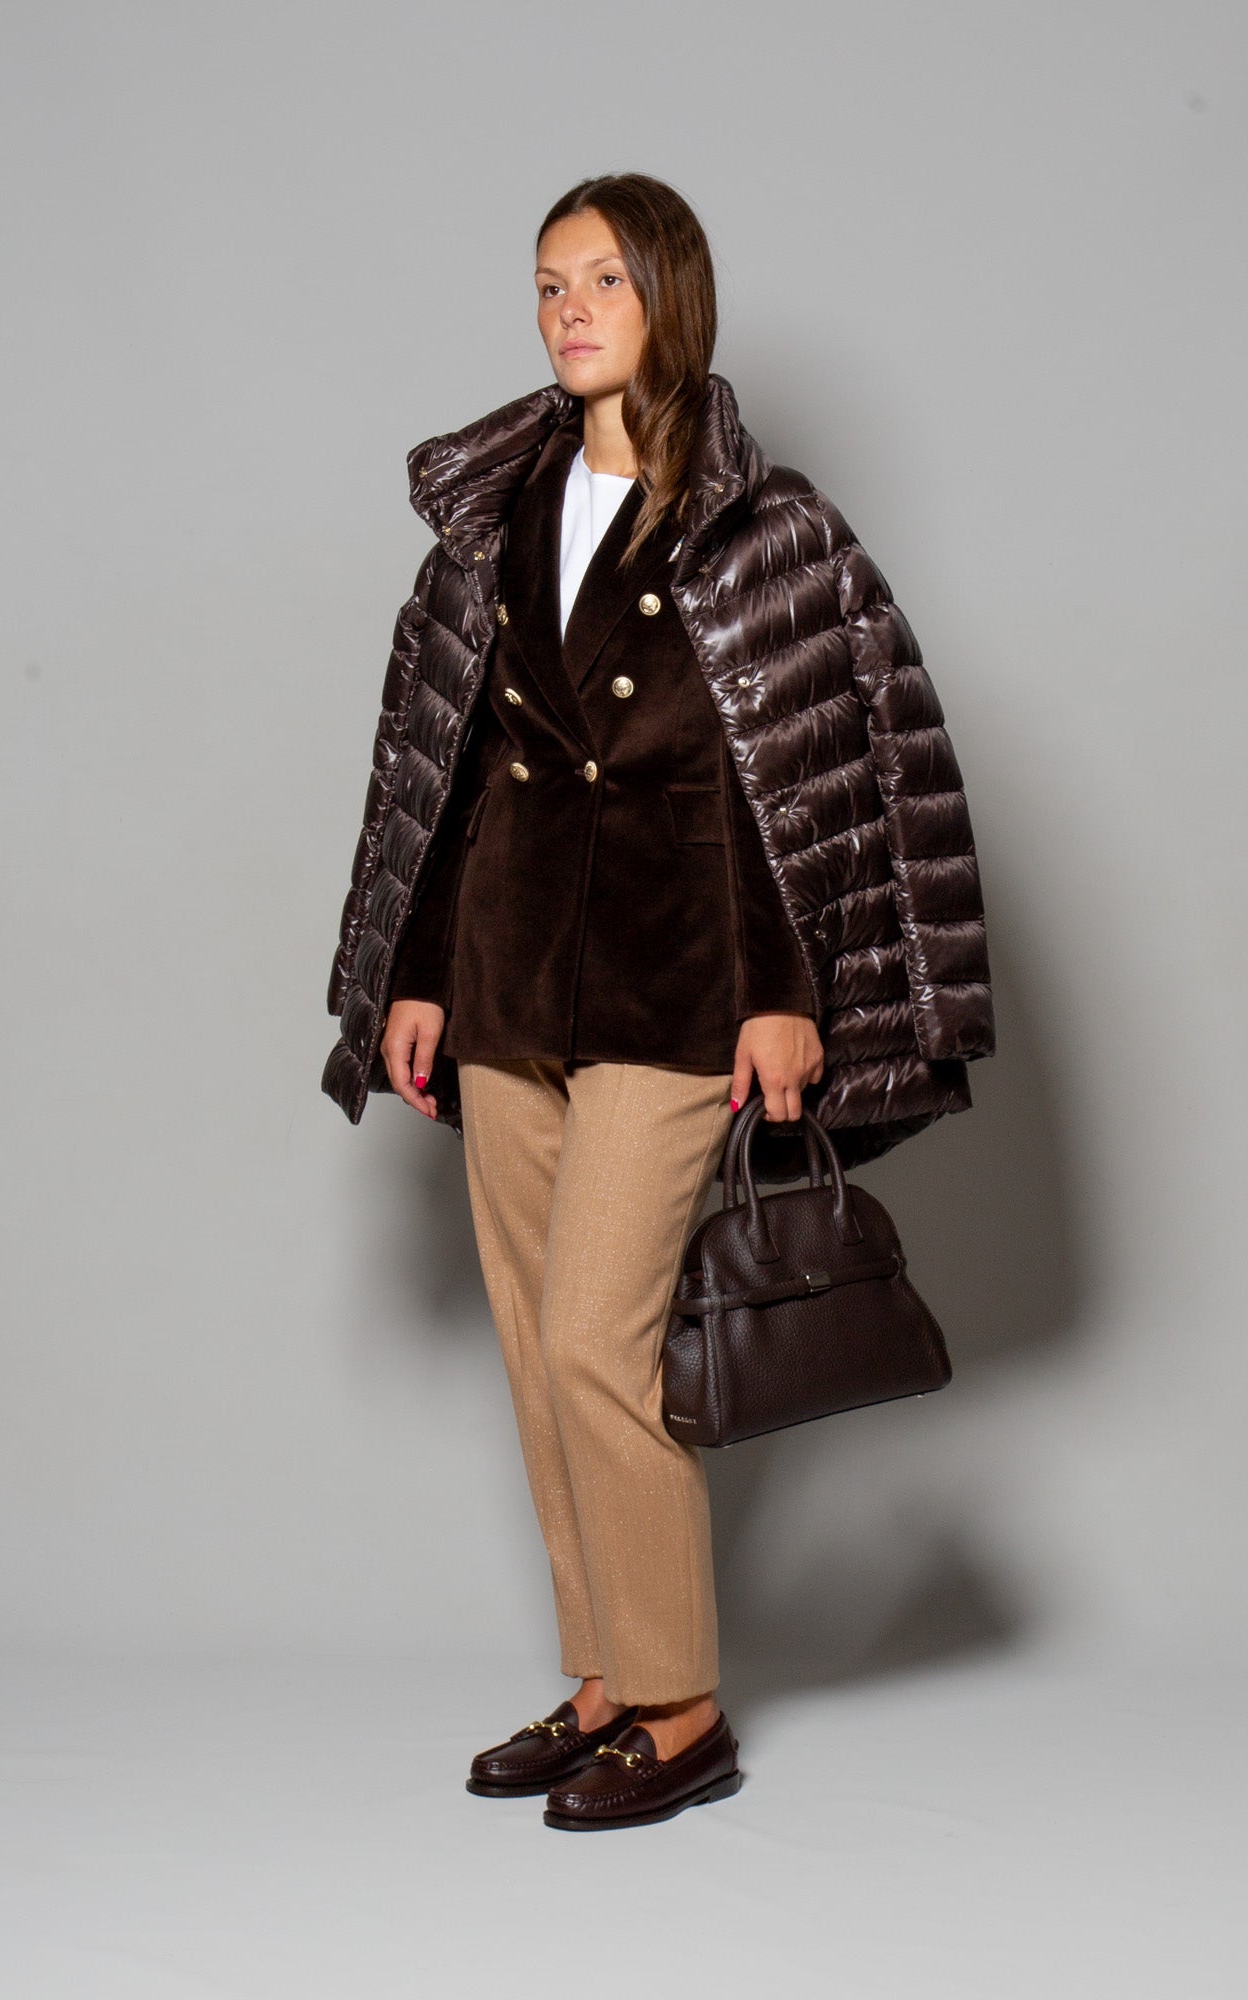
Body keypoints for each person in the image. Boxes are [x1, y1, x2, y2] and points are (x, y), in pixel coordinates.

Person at [322, 173, 995, 1830]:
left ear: (671, 297)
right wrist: (419, 973)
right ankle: (605, 1678)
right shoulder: (500, 514)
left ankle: (681, 1707)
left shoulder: (772, 531)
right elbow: (450, 766)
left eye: (603, 281)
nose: (568, 311)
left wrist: (788, 993)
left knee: (594, 1340)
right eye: (548, 284)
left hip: (683, 983)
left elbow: (807, 782)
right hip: (508, 976)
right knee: (535, 1347)